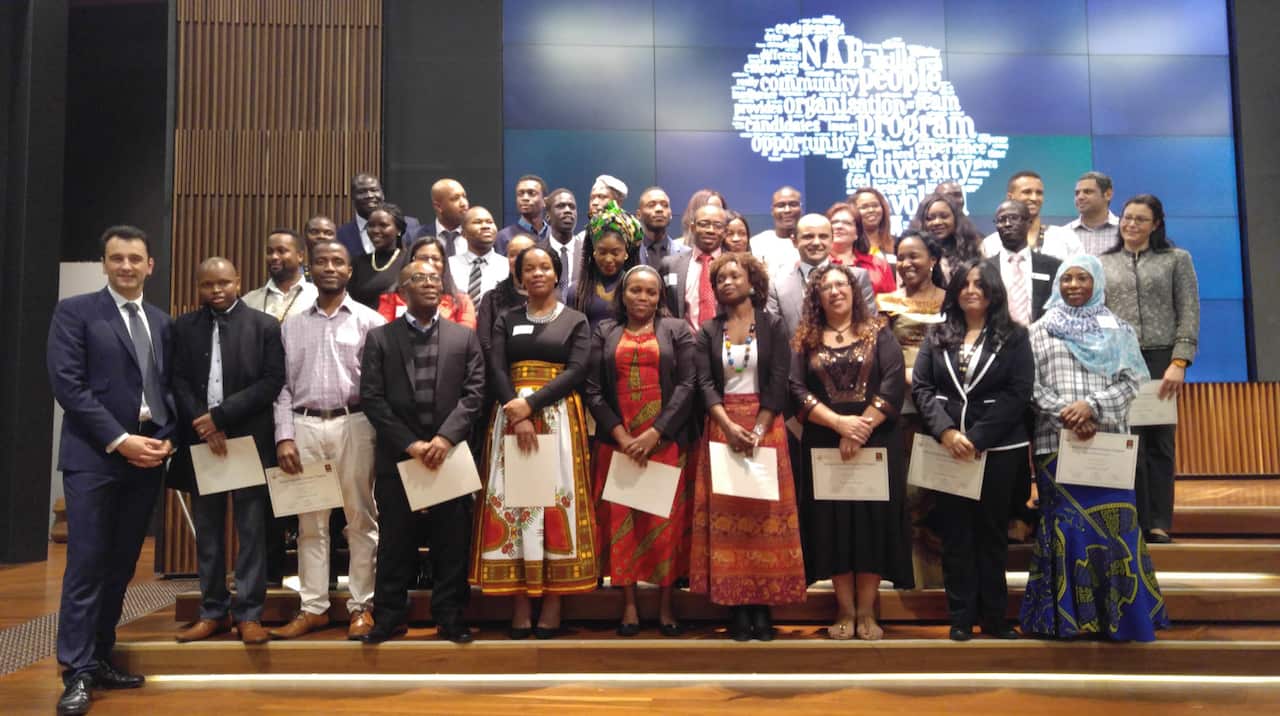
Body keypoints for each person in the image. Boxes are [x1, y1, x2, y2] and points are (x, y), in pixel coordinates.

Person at [48, 225, 176, 715]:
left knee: (121, 566)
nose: (126, 266)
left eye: (135, 258)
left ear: (150, 266)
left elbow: (168, 392)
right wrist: (121, 441)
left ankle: (100, 657)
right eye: (116, 258)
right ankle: (76, 673)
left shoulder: (162, 323)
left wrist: (165, 440)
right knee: (86, 565)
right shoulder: (75, 313)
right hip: (95, 459)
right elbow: (68, 385)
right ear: (104, 263)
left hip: (146, 460)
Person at [1019, 255, 1168, 641]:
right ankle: (1067, 620)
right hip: (1057, 443)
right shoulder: (1038, 331)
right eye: (1066, 278)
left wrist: (1093, 408)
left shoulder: (1119, 329)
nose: (1073, 285)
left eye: (1082, 278)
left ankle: (1120, 619)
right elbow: (1029, 387)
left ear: (1097, 283)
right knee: (1067, 528)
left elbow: (1132, 380)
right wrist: (1068, 414)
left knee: (1115, 529)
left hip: (1109, 444)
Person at [470, 246, 598, 639]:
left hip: (558, 420)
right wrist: (515, 409)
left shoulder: (576, 320)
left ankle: (555, 600)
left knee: (552, 504)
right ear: (520, 277)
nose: (538, 273)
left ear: (557, 274)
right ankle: (520, 600)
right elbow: (495, 366)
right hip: (510, 419)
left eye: (545, 267)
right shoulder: (506, 318)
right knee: (517, 505)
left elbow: (577, 370)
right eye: (530, 268)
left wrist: (530, 406)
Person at [358, 260, 487, 644]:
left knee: (451, 539)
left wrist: (445, 439)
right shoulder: (381, 339)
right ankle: (389, 617)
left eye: (435, 278)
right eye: (420, 279)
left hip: (449, 454)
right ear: (402, 291)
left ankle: (449, 616)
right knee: (396, 539)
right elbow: (372, 398)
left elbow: (474, 394)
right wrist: (410, 444)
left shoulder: (463, 338)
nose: (430, 283)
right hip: (400, 455)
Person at [912, 259, 1034, 641]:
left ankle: (995, 618)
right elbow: (921, 388)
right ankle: (961, 616)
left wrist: (978, 437)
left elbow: (1019, 393)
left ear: (993, 291)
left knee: (992, 534)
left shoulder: (1015, 336)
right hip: (947, 449)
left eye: (980, 284)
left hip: (997, 449)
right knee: (956, 535)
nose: (971, 290)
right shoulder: (937, 334)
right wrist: (947, 432)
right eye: (964, 284)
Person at [270, 240, 386, 641]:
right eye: (322, 262)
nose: (330, 268)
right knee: (310, 523)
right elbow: (281, 386)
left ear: (350, 271)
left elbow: (379, 386)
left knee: (360, 518)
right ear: (310, 269)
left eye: (338, 261)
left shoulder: (370, 322)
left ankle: (361, 607)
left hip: (354, 423)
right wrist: (284, 435)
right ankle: (314, 607)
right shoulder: (293, 324)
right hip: (303, 427)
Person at [790, 263, 912, 641]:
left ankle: (867, 612)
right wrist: (839, 425)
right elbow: (795, 388)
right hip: (825, 442)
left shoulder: (879, 332)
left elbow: (893, 383)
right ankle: (843, 610)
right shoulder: (805, 338)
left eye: (841, 284)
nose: (834, 291)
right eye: (825, 287)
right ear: (817, 297)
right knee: (835, 527)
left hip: (876, 441)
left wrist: (861, 427)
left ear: (854, 291)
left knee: (871, 526)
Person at [691, 252, 806, 641]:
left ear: (751, 280)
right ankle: (737, 608)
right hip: (722, 427)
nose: (726, 282)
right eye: (719, 277)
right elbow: (704, 384)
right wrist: (726, 423)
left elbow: (779, 379)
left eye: (733, 275)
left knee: (765, 520)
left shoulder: (772, 325)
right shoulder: (709, 330)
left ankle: (763, 607)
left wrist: (758, 428)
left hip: (766, 428)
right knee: (730, 524)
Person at [169, 258, 285, 646]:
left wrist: (220, 416)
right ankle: (213, 611)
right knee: (209, 533)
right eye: (207, 284)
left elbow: (271, 382)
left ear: (238, 281)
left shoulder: (264, 326)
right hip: (204, 444)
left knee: (252, 531)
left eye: (223, 282)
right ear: (197, 287)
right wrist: (202, 421)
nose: (216, 290)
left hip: (246, 442)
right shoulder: (182, 327)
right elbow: (177, 381)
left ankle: (250, 614)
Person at [583, 265, 697, 637]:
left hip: (664, 443)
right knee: (622, 524)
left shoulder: (677, 330)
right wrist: (620, 434)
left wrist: (656, 433)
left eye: (650, 292)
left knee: (665, 525)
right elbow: (593, 389)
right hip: (617, 444)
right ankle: (629, 605)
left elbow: (687, 385)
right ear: (624, 294)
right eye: (635, 291)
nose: (643, 298)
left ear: (660, 296)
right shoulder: (604, 331)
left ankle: (666, 605)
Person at [1100, 194, 1200, 544]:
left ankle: (1158, 521)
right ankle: (1134, 521)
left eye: (1140, 219)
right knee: (1128, 443)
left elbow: (1188, 310)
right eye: (1127, 218)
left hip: (1161, 361)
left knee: (1159, 443)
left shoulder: (1176, 260)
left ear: (1156, 224)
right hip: (1119, 361)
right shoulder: (1104, 263)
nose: (1131, 225)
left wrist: (1179, 361)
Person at [876, 231, 948, 588]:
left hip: (945, 411)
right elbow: (878, 355)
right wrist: (908, 379)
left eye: (914, 256)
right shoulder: (884, 301)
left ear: (933, 259)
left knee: (942, 497)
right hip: (901, 410)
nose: (906, 264)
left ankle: (944, 584)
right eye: (900, 257)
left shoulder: (952, 301)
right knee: (909, 495)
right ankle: (913, 582)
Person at [767, 213, 875, 339]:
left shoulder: (856, 277)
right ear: (794, 241)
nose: (816, 242)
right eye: (808, 237)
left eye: (823, 236)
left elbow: (870, 325)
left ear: (832, 239)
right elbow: (774, 336)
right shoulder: (777, 284)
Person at [983, 200, 1061, 326]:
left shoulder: (1053, 267)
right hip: (997, 339)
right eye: (1001, 220)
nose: (1007, 224)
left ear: (1029, 222)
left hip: (1042, 338)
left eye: (1014, 218)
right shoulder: (984, 268)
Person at [567, 200, 642, 330]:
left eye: (615, 252)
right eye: (602, 252)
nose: (608, 259)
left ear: (626, 253)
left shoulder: (637, 290)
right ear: (594, 252)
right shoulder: (577, 291)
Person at [375, 237, 477, 329]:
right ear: (411, 261)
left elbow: (465, 337)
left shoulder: (461, 301)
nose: (430, 263)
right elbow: (384, 334)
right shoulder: (390, 299)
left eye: (436, 259)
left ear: (444, 264)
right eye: (423, 258)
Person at [980, 171, 1083, 260]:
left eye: (1039, 193)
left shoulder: (1066, 238)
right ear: (1010, 197)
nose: (1034, 198)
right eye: (1027, 192)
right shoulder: (991, 244)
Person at [663, 203, 726, 331]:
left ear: (724, 231)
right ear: (692, 228)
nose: (710, 230)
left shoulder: (736, 266)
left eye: (717, 225)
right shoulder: (671, 265)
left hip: (725, 343)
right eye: (704, 224)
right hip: (684, 345)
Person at [336, 173, 423, 258]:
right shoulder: (342, 234)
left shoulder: (410, 224)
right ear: (352, 196)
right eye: (362, 192)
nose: (369, 195)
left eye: (374, 190)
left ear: (382, 194)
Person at [477, 233, 537, 355]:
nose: (518, 259)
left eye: (523, 253)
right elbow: (484, 343)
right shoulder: (491, 298)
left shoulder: (549, 298)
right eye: (512, 255)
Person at [243, 228, 317, 323]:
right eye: (270, 252)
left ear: (300, 256)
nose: (274, 257)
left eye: (281, 251)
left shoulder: (316, 296)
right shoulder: (249, 301)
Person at [349, 203, 411, 309]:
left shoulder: (409, 261)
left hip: (396, 324)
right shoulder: (357, 263)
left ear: (399, 230)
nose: (375, 231)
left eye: (383, 225)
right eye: (371, 225)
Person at [913, 192, 984, 283]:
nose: (937, 222)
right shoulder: (914, 252)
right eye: (930, 218)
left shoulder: (972, 248)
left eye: (944, 216)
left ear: (955, 218)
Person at [447, 206, 508, 306]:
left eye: (489, 222)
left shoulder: (507, 266)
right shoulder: (449, 266)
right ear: (463, 233)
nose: (485, 226)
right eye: (477, 222)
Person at [830, 201, 895, 294]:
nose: (839, 226)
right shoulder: (820, 264)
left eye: (847, 223)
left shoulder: (878, 264)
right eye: (834, 222)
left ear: (857, 233)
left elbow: (891, 302)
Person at [750, 186, 803, 279]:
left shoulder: (812, 241)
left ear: (800, 208)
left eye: (793, 204)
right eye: (781, 205)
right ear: (772, 210)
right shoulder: (756, 243)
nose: (787, 210)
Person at [494, 174, 551, 255]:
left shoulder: (554, 235)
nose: (525, 198)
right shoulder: (503, 237)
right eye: (520, 194)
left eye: (531, 193)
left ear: (545, 202)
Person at [1068, 171, 1120, 256]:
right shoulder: (1064, 233)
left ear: (1108, 194)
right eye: (1077, 193)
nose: (1080, 197)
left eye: (1087, 192)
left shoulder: (1125, 230)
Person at [636, 186, 689, 269]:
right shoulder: (631, 253)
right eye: (651, 205)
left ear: (670, 214)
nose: (659, 209)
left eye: (665, 205)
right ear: (639, 215)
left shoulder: (686, 254)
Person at [540, 188, 582, 288]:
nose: (568, 210)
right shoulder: (538, 252)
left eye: (572, 207)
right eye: (561, 206)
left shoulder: (588, 252)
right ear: (548, 216)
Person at [848, 187, 897, 261]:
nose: (871, 210)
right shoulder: (849, 245)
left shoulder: (897, 243)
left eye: (875, 205)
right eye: (864, 207)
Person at [430, 178, 471, 257]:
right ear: (438, 207)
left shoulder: (476, 236)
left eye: (464, 197)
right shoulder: (417, 236)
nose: (464, 203)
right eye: (455, 198)